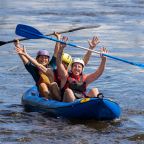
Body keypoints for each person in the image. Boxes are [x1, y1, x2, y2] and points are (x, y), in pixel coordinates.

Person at [56, 36, 108, 102]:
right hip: (69, 103)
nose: (77, 68)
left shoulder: (85, 78)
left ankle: (99, 105)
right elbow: (58, 62)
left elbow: (98, 73)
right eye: (75, 66)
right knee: (68, 91)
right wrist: (61, 48)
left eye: (79, 66)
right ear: (71, 68)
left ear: (82, 69)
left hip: (81, 102)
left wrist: (103, 60)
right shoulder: (65, 76)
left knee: (95, 90)